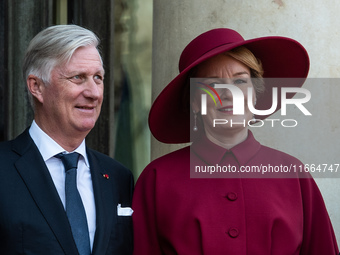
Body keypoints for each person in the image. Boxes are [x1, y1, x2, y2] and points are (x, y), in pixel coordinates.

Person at [132, 28, 339, 254]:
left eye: (240, 81)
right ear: (193, 101)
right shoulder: (157, 180)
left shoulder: (294, 175)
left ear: (256, 93)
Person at [0, 24, 134, 255]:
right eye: (78, 78)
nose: (94, 93)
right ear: (37, 86)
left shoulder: (118, 177)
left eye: (98, 78)